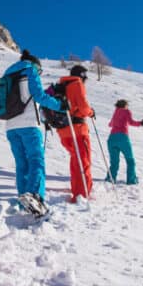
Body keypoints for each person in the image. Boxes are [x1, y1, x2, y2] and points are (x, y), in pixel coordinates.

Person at [2, 50, 63, 216]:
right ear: (36, 65)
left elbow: (21, 100)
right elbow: (38, 96)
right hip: (29, 126)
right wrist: (59, 105)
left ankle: (24, 202)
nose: (39, 73)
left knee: (22, 164)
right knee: (36, 161)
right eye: (40, 70)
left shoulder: (9, 73)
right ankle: (36, 197)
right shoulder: (30, 70)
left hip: (11, 127)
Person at [56, 65, 95, 202]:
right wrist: (91, 112)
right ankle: (81, 194)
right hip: (77, 129)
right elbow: (84, 108)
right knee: (83, 161)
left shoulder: (62, 85)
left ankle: (77, 189)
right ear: (82, 75)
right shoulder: (77, 83)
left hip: (63, 130)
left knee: (75, 160)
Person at [107, 99, 143, 185]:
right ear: (125, 105)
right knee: (130, 160)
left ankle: (110, 178)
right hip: (122, 138)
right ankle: (131, 180)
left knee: (114, 162)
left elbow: (110, 124)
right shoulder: (126, 111)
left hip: (111, 139)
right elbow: (131, 122)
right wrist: (141, 123)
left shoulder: (115, 112)